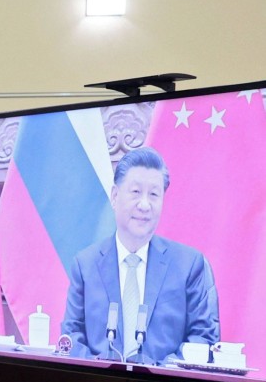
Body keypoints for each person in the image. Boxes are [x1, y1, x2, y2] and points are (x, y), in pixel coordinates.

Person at [61, 146, 219, 364]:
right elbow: (71, 336)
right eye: (135, 192)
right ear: (115, 196)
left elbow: (204, 338)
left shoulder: (189, 265)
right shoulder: (85, 265)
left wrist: (159, 375)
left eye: (154, 194)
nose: (144, 205)